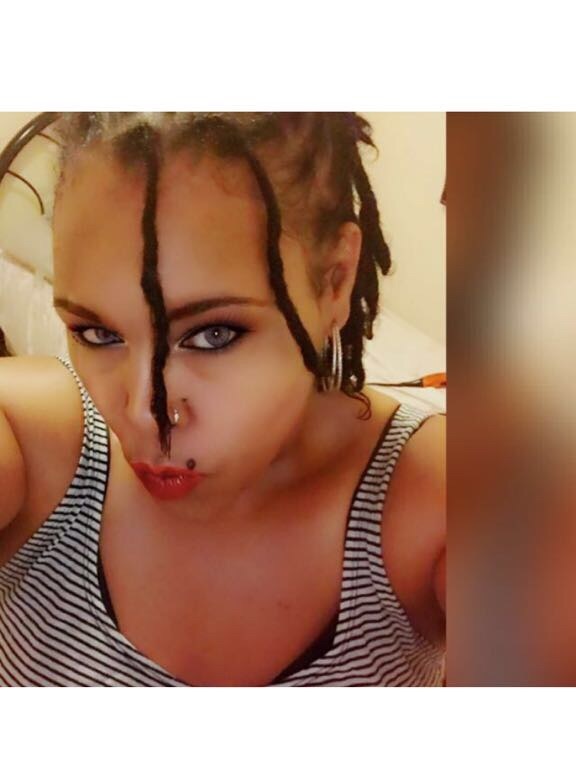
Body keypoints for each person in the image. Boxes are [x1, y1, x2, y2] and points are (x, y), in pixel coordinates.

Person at [0, 112, 445, 686]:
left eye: (213, 335)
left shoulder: (438, 500)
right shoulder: (31, 440)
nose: (143, 414)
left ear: (335, 280)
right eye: (97, 333)